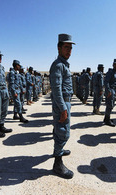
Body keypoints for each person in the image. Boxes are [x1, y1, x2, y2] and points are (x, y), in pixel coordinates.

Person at [49, 33, 75, 179]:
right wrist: (63, 108)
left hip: (65, 101)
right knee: (63, 131)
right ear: (59, 48)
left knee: (59, 129)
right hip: (62, 102)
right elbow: (56, 89)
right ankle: (57, 164)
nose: (69, 51)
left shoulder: (64, 64)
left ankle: (59, 149)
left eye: (70, 48)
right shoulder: (58, 65)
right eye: (66, 47)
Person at [104, 59, 116, 126]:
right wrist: (108, 91)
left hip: (114, 90)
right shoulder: (110, 72)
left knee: (111, 105)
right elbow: (106, 82)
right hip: (110, 90)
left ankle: (106, 118)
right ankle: (107, 120)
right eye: (115, 64)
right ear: (113, 65)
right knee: (110, 105)